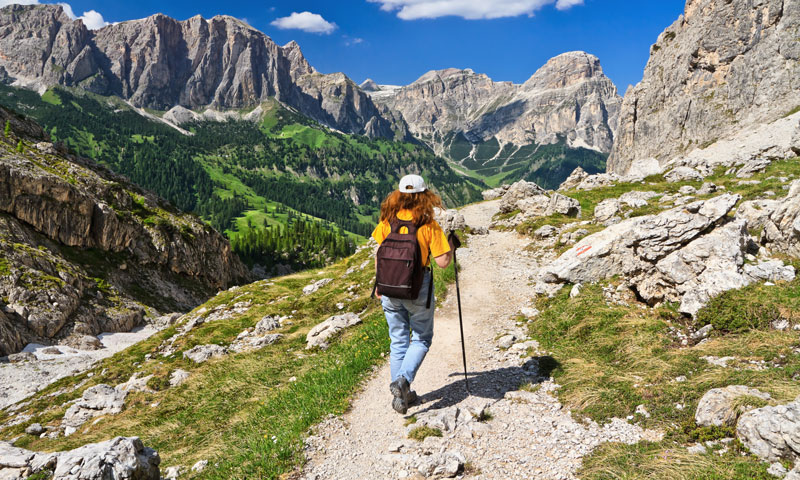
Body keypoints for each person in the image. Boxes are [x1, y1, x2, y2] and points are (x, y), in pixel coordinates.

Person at [372, 174, 454, 414]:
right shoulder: (428, 225)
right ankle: (403, 382)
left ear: (398, 195)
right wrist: (451, 246)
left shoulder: (388, 221)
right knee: (421, 338)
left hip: (388, 287)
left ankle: (402, 396)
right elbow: (442, 263)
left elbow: (380, 252)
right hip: (418, 286)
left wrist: (379, 284)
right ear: (424, 196)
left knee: (398, 340)